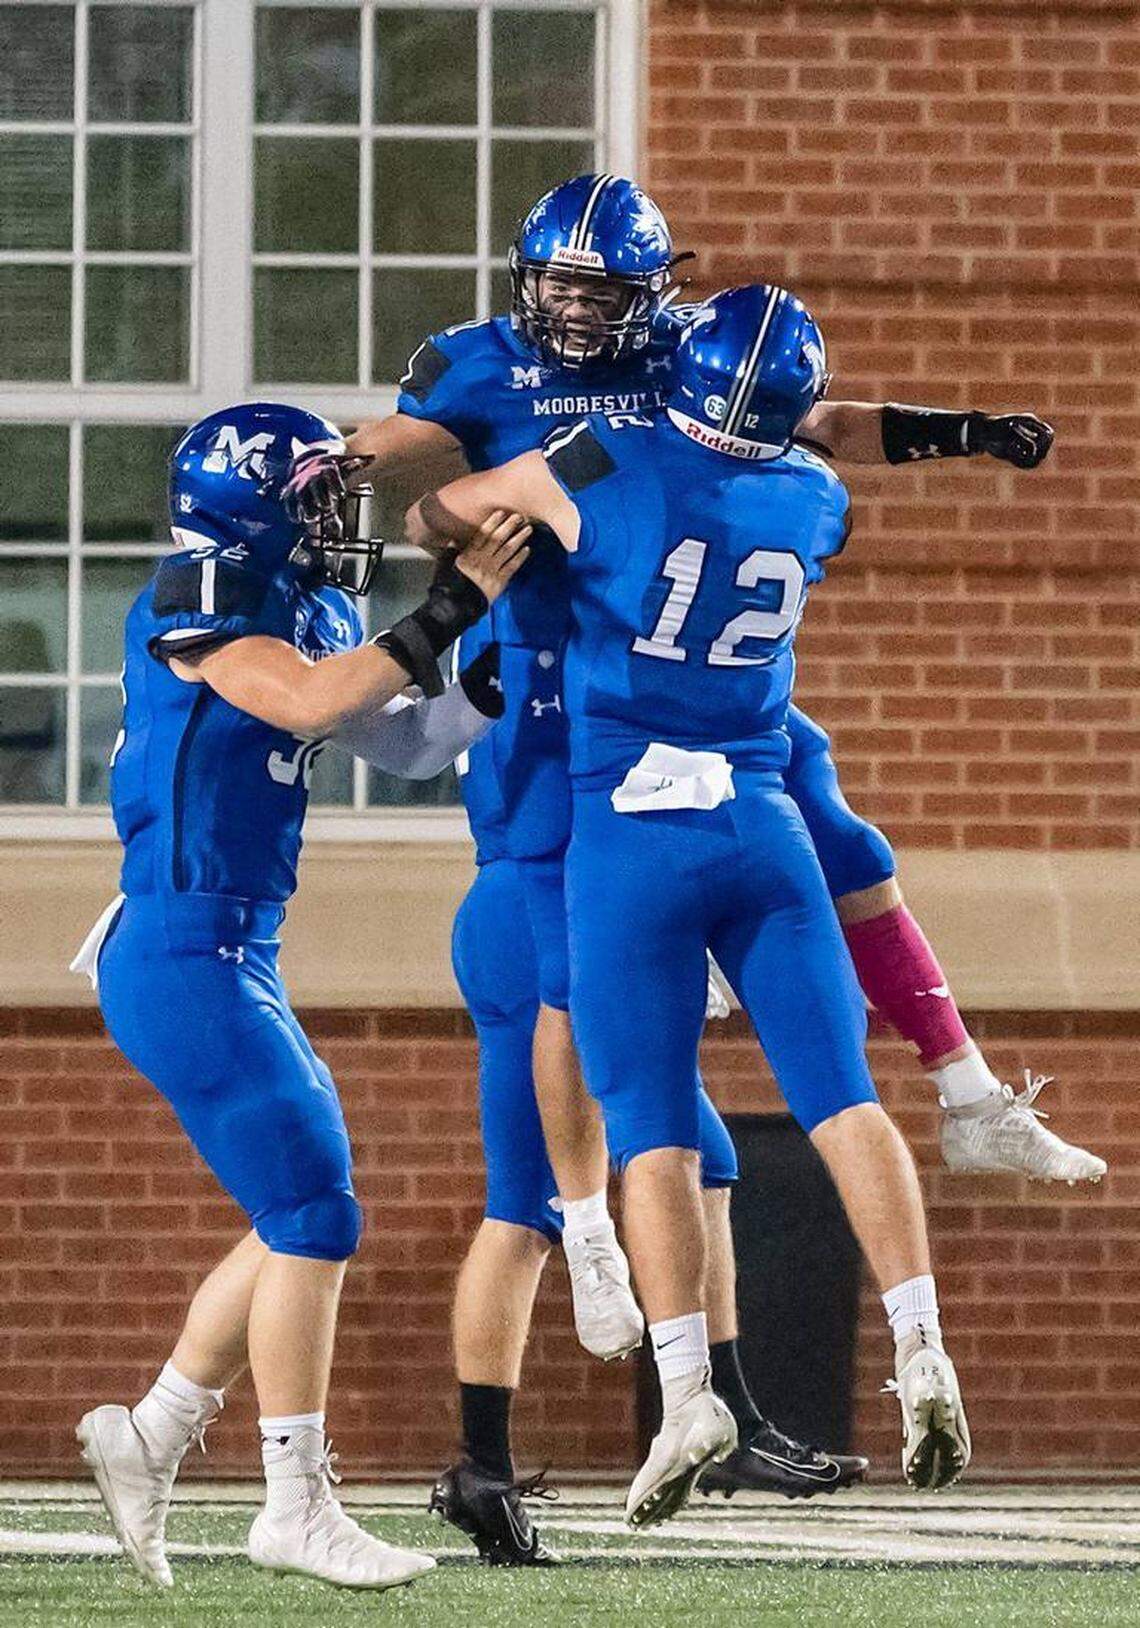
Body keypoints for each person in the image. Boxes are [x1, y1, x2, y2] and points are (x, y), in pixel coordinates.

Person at [285, 173, 1097, 1552]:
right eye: (559, 284)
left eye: (605, 291)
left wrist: (468, 524)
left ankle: (687, 1340)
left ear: (658, 307)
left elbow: (461, 502)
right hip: (649, 726)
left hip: (620, 729)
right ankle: (876, 1196)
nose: (575, 310)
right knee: (749, 910)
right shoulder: (794, 489)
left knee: (725, 975)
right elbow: (794, 431)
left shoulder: (629, 429)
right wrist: (363, 465)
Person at [405, 285, 979, 1527]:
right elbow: (824, 439)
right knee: (843, 1101)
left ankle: (686, 1394)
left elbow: (441, 509)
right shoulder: (815, 497)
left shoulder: (601, 472)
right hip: (759, 818)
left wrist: (514, 485)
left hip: (630, 830)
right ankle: (923, 1343)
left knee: (652, 1125)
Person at [72, 401, 529, 1591]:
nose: (336, 514)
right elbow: (307, 702)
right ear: (252, 503)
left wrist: (503, 649)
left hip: (238, 946)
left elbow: (414, 742)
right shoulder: (202, 590)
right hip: (179, 943)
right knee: (317, 1207)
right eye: (315, 491)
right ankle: (292, 1501)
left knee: (299, 1205)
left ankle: (157, 1428)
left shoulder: (314, 604)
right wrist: (449, 604)